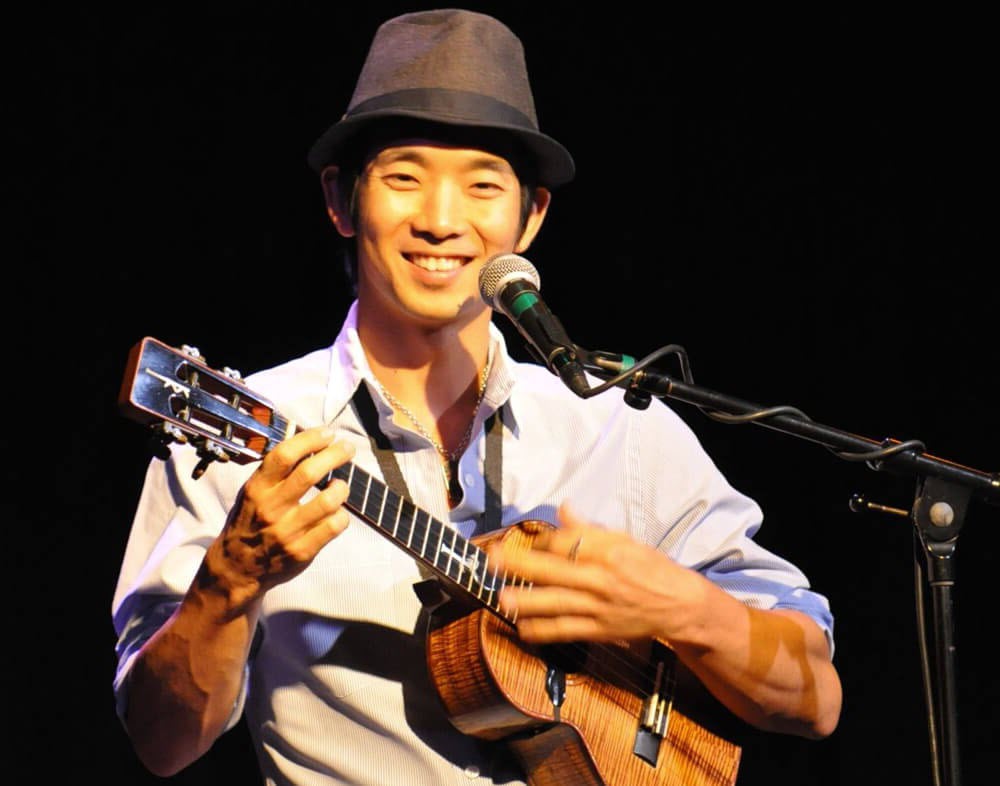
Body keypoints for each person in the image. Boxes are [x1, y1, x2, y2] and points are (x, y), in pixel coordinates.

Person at [111, 9, 842, 785]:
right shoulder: (256, 438)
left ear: (531, 216)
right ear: (341, 200)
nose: (440, 220)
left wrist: (680, 606)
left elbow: (815, 698)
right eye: (404, 177)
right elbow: (161, 741)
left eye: (483, 185)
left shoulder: (620, 430)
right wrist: (230, 579)